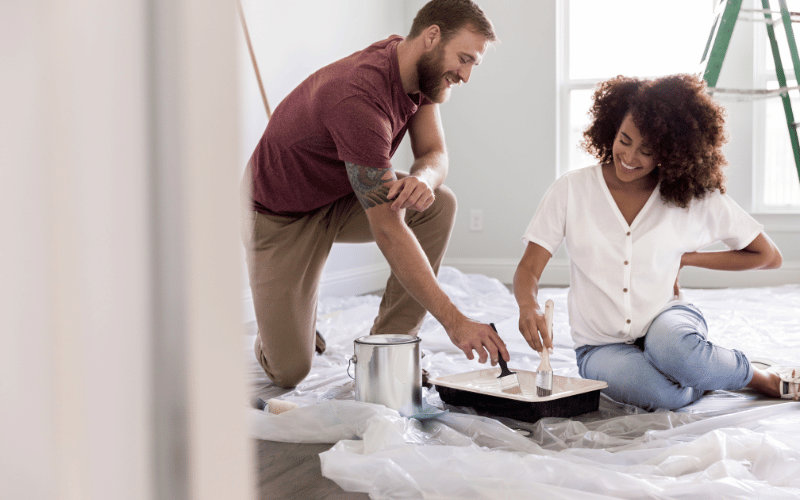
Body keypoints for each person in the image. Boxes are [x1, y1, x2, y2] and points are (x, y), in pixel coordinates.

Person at [242, 0, 509, 388]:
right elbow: (388, 230)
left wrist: (423, 178)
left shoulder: (419, 72)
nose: (466, 75)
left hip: (337, 195)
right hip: (278, 216)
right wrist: (456, 322)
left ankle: (388, 349)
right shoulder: (358, 99)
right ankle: (276, 334)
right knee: (289, 371)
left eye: (473, 64)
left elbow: (435, 153)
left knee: (439, 204)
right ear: (432, 37)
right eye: (464, 59)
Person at [514, 73, 798, 410]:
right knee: (662, 396)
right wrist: (527, 305)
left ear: (669, 152)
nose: (630, 156)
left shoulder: (686, 195)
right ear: (610, 130)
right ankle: (704, 378)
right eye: (624, 139)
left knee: (679, 354)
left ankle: (755, 377)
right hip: (600, 346)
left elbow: (768, 256)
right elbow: (528, 269)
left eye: (647, 150)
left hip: (667, 322)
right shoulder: (571, 189)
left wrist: (689, 259)